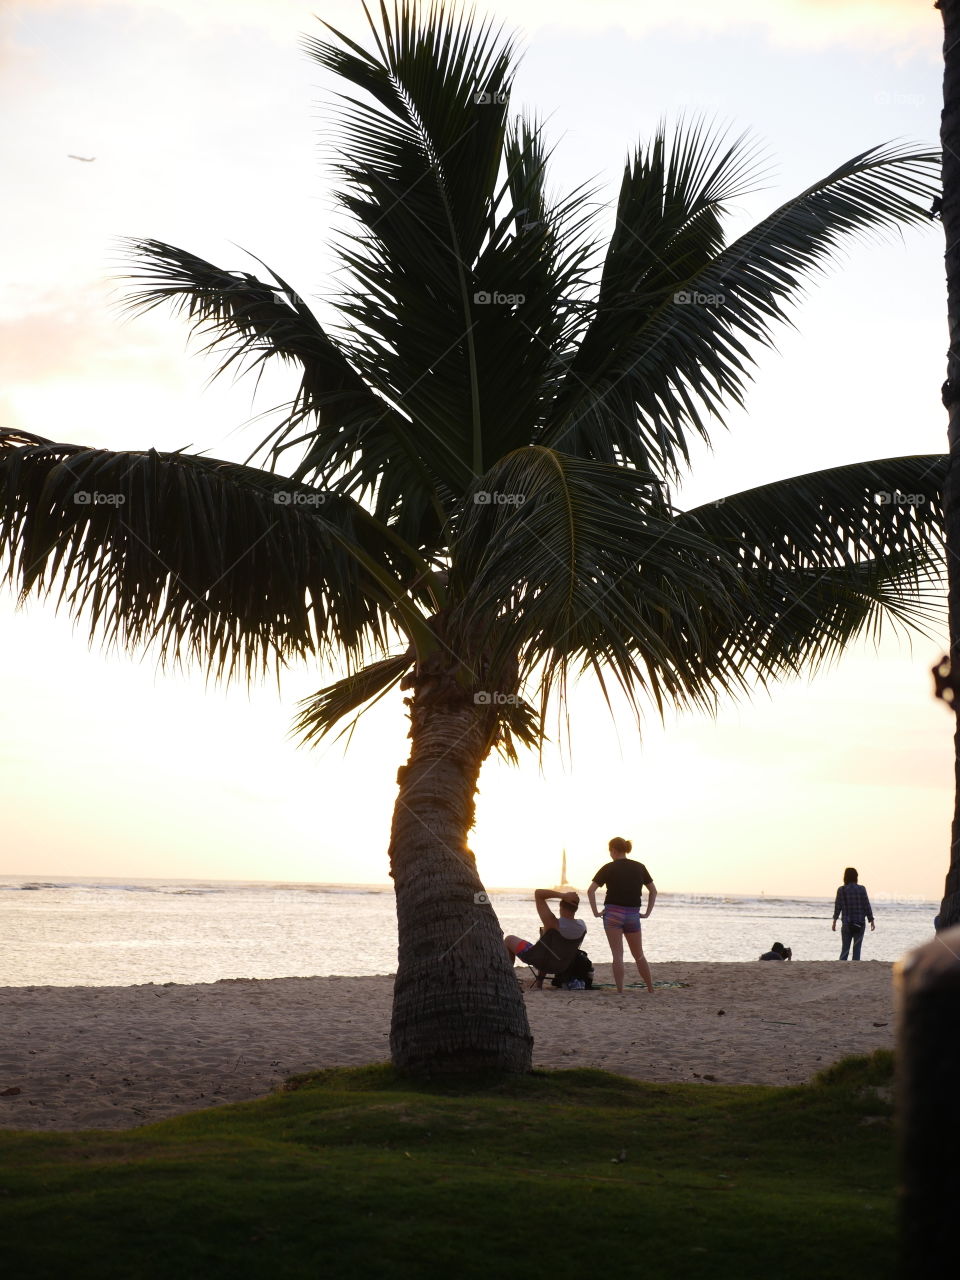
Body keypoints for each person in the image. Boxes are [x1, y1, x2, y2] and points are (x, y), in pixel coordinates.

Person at [587, 837, 657, 993]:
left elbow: (590, 890)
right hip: (633, 914)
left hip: (612, 914)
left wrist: (596, 912)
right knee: (639, 955)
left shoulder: (608, 867)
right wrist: (647, 913)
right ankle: (651, 988)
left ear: (613, 850)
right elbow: (653, 891)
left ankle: (620, 990)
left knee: (618, 955)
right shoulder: (639, 867)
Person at [504, 890, 586, 973]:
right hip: (562, 966)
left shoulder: (553, 923)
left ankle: (508, 976)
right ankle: (539, 983)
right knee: (547, 946)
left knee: (509, 939)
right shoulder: (582, 926)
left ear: (560, 906)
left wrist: (563, 895)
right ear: (576, 909)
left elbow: (538, 894)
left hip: (540, 962)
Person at [832, 867, 875, 961]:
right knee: (857, 950)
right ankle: (855, 968)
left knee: (845, 949)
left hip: (846, 924)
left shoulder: (841, 890)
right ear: (856, 877)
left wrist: (834, 921)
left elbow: (837, 907)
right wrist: (871, 920)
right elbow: (866, 905)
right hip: (860, 924)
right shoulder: (862, 889)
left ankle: (842, 968)